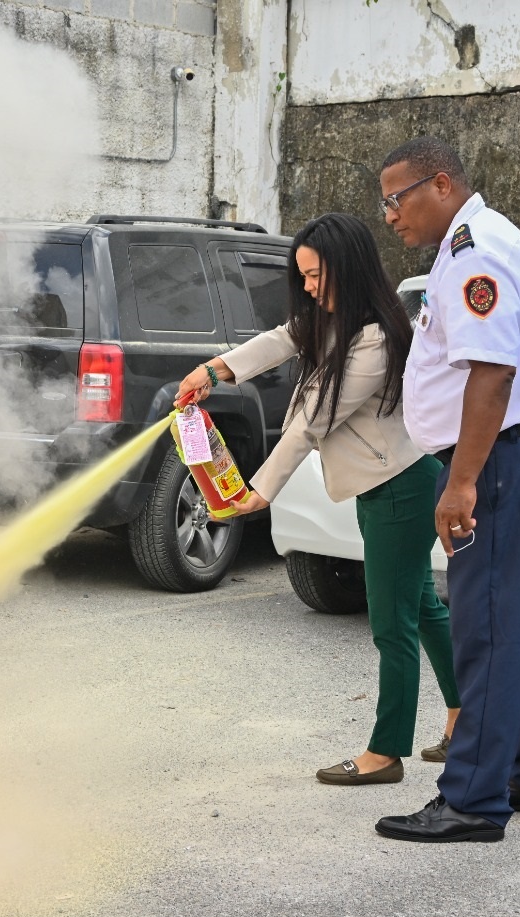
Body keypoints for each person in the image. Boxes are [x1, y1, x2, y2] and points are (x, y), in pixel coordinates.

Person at [176, 213, 460, 786]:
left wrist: (259, 490)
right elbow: (282, 338)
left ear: (347, 268)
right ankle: (464, 715)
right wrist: (215, 368)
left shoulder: (374, 336)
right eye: (301, 277)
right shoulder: (331, 319)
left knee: (393, 621)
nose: (307, 288)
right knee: (422, 608)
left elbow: (312, 422)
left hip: (400, 488)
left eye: (314, 275)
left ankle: (385, 754)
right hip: (384, 487)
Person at [372, 136, 520, 843]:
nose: (389, 216)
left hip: (500, 461)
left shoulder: (474, 251)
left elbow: (490, 377)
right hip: (518, 456)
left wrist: (460, 482)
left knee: (489, 626)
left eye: (396, 199)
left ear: (440, 184)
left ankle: (471, 798)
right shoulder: (468, 246)